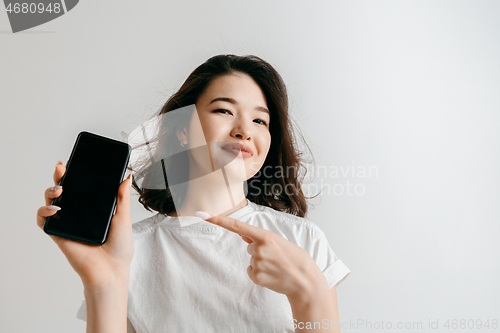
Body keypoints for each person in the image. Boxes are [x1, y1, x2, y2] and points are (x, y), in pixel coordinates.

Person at [36, 54, 350, 332]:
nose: (245, 129)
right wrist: (103, 281)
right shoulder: (129, 252)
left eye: (260, 120)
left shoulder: (303, 241)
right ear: (183, 130)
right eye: (224, 111)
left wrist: (308, 292)